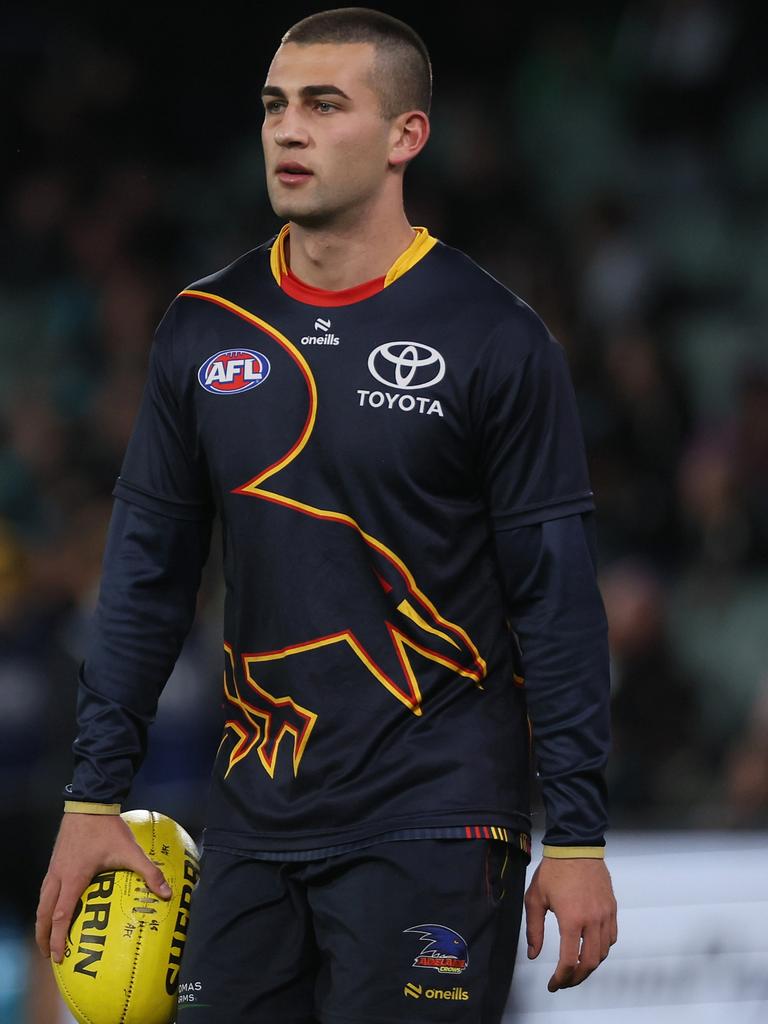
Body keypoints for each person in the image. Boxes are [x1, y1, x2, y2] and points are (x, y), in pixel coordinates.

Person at [35, 8, 617, 1022]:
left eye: (323, 104)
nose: (286, 130)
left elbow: (556, 595)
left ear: (406, 137)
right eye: (273, 106)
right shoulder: (201, 328)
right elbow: (144, 572)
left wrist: (577, 832)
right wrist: (93, 794)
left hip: (438, 821)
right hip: (255, 821)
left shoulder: (494, 338)